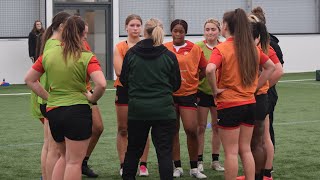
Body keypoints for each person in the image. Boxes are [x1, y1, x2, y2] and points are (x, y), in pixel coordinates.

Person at [25, 15, 106, 180]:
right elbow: (102, 84)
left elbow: (29, 79)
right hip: (77, 110)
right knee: (74, 162)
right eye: (85, 34)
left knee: (63, 157)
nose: (85, 37)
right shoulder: (86, 56)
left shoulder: (48, 54)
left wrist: (49, 97)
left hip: (54, 110)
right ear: (79, 34)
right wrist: (91, 98)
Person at [206, 8, 275, 180]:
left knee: (230, 152)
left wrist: (214, 90)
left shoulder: (221, 48)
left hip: (229, 104)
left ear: (226, 26)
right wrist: (255, 88)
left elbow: (209, 69)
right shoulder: (252, 48)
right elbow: (271, 68)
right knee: (246, 149)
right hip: (250, 103)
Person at [120, 18, 181, 180]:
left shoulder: (131, 54)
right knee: (164, 153)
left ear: (144, 32)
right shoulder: (169, 56)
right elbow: (176, 84)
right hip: (164, 111)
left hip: (138, 111)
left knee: (133, 150)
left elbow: (124, 80)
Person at [29, 12, 71, 180]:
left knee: (48, 147)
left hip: (45, 100)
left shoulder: (49, 43)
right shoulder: (55, 47)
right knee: (54, 149)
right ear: (62, 27)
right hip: (51, 100)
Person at [164, 19, 207, 179]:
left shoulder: (194, 48)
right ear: (171, 31)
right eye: (175, 30)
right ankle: (177, 166)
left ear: (185, 32)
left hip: (189, 94)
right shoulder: (165, 48)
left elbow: (203, 69)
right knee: (173, 131)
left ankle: (194, 168)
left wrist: (194, 79)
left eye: (181, 31)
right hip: (170, 95)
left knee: (191, 129)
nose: (178, 34)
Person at [243, 15, 283, 180]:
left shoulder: (266, 48)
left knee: (263, 135)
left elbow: (278, 70)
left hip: (262, 95)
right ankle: (259, 171)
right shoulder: (248, 48)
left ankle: (266, 171)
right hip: (256, 94)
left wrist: (261, 86)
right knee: (256, 137)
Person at [113, 14, 150, 176]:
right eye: (132, 25)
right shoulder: (120, 47)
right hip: (124, 90)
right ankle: (123, 164)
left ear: (141, 28)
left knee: (143, 128)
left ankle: (143, 164)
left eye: (138, 25)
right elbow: (120, 71)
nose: (135, 28)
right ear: (126, 27)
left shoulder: (147, 46)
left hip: (143, 91)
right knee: (123, 129)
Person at [195, 18, 224, 172]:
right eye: (207, 29)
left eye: (213, 29)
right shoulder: (198, 47)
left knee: (217, 127)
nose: (210, 32)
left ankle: (215, 160)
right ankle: (199, 161)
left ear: (219, 31)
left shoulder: (224, 47)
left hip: (219, 93)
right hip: (202, 93)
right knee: (200, 127)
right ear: (204, 31)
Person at [81, 22, 104, 178]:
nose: (85, 36)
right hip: (72, 94)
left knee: (97, 127)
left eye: (86, 33)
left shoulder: (84, 44)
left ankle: (82, 162)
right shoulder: (61, 46)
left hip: (86, 91)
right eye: (83, 33)